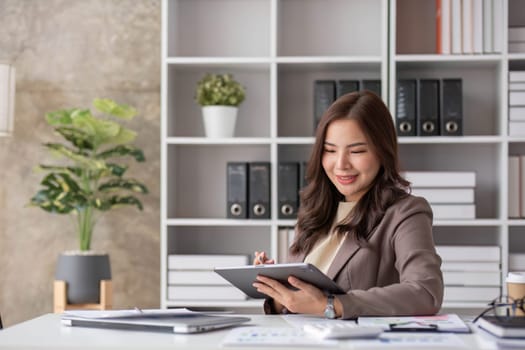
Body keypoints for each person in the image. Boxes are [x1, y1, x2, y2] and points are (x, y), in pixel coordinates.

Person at [253, 90, 443, 319]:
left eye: (356, 151)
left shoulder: (406, 212)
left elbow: (425, 293)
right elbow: (301, 301)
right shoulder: (314, 210)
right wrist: (278, 289)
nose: (341, 164)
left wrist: (331, 305)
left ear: (383, 152)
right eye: (330, 150)